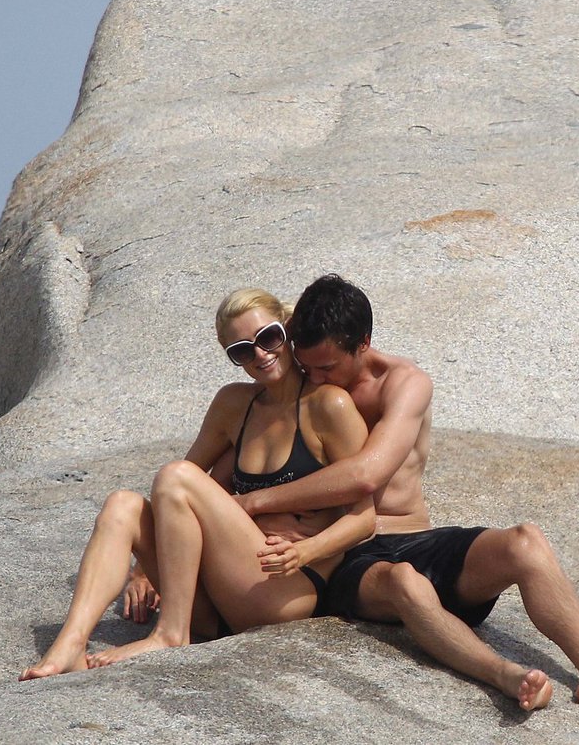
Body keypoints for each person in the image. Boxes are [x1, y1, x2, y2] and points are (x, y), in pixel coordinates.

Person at [234, 274, 579, 710]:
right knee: (405, 580)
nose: (316, 376)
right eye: (307, 366)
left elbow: (366, 475)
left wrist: (255, 502)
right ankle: (506, 675)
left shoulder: (405, 384)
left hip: (416, 537)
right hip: (350, 555)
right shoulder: (299, 394)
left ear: (363, 343)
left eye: (327, 367)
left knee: (525, 541)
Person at [19, 288, 373, 677]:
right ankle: (70, 643)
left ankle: (171, 633)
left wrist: (308, 551)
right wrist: (143, 570)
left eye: (268, 337)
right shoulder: (234, 405)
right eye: (241, 350)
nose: (260, 354)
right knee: (123, 504)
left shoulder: (329, 405)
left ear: (287, 330)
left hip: (282, 588)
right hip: (219, 595)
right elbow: (173, 495)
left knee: (177, 477)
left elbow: (365, 517)